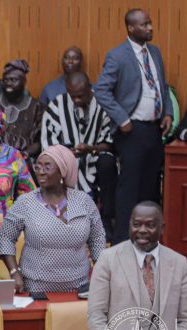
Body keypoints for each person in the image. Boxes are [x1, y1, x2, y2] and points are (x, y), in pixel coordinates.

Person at [86, 202, 187, 330]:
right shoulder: (108, 259)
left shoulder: (179, 263)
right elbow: (96, 315)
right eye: (136, 224)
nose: (142, 230)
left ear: (162, 228)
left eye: (150, 225)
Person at [93, 8, 173, 240]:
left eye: (150, 23)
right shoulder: (117, 55)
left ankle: (148, 238)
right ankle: (122, 241)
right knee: (129, 189)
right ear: (130, 28)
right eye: (144, 24)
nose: (150, 28)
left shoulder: (155, 52)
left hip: (154, 129)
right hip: (131, 130)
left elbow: (162, 86)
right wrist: (122, 118)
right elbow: (101, 90)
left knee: (150, 187)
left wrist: (167, 112)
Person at [0, 145, 106, 294]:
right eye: (38, 166)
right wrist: (14, 272)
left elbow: (97, 238)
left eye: (47, 167)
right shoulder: (25, 203)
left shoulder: (84, 201)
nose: (41, 172)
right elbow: (5, 237)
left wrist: (100, 272)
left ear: (63, 171)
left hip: (80, 287)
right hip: (36, 288)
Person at [40, 72, 118, 240]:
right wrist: (66, 154)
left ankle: (107, 221)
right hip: (65, 159)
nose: (76, 100)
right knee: (52, 166)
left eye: (80, 96)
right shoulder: (57, 106)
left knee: (107, 162)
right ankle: (60, 223)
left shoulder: (103, 104)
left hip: (94, 156)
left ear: (90, 88)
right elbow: (49, 145)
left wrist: (91, 149)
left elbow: (110, 143)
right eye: (72, 96)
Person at [0, 60, 43, 160]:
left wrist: (24, 155)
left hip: (24, 160)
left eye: (13, 80)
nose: (9, 83)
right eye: (5, 80)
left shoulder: (37, 107)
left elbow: (40, 141)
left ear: (24, 81)